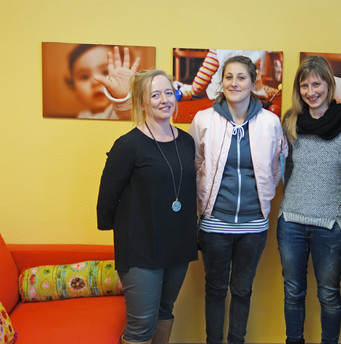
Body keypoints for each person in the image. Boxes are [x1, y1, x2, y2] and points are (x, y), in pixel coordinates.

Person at [96, 47, 198, 344]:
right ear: (141, 101)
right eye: (155, 95)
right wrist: (125, 235)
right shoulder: (128, 145)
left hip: (178, 244)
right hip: (140, 249)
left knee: (165, 312)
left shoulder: (188, 141)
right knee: (141, 324)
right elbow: (108, 197)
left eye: (168, 93)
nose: (164, 100)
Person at [188, 55, 287, 344]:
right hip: (214, 224)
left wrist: (264, 198)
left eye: (241, 77)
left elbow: (277, 166)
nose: (234, 83)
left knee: (243, 290)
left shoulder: (270, 122)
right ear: (221, 82)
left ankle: (237, 340)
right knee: (216, 289)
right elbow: (193, 163)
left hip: (254, 226)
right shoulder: (203, 119)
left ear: (253, 82)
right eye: (228, 77)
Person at [278, 56, 341, 344]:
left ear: (329, 85)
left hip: (330, 225)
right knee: (293, 292)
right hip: (291, 222)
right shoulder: (290, 121)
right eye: (304, 85)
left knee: (328, 294)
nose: (310, 91)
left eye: (316, 83)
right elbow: (286, 169)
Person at [65, 44, 128, 120]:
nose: (95, 82)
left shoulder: (125, 111)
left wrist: (123, 100)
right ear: (73, 87)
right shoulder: (82, 117)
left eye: (105, 72)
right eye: (85, 77)